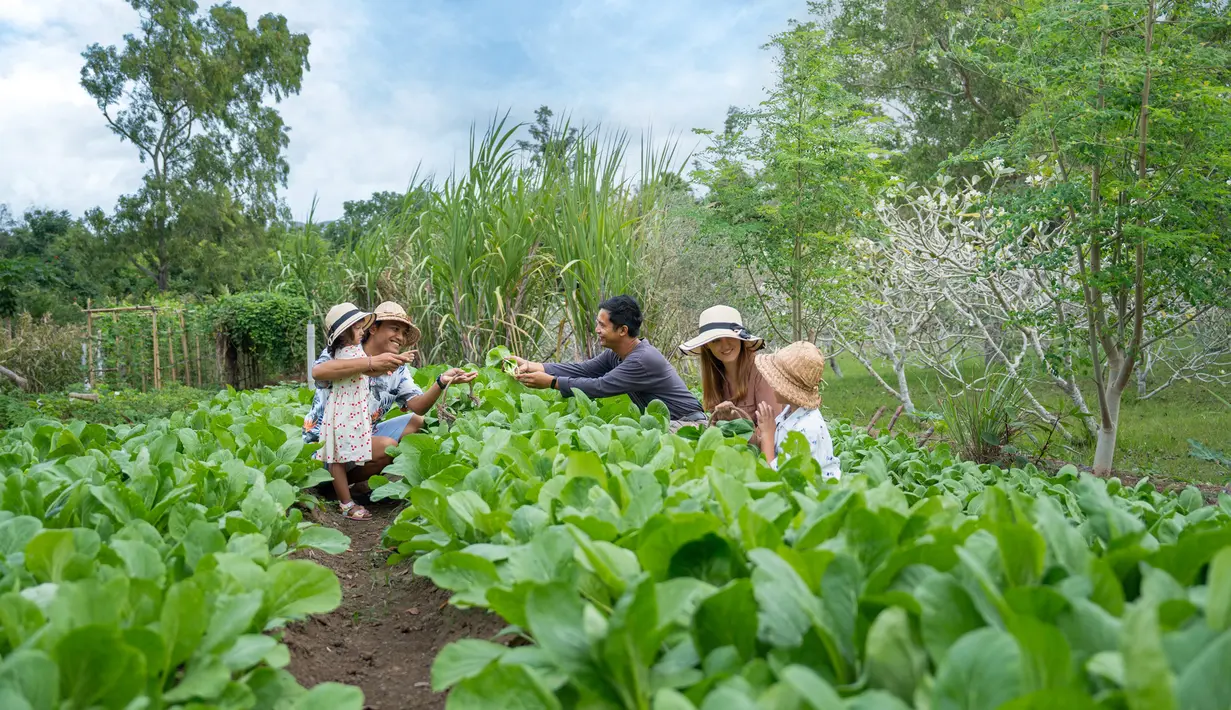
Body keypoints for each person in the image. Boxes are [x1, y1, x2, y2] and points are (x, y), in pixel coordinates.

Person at [304, 301, 476, 493]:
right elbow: (318, 372)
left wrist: (442, 381)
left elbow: (418, 406)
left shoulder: (398, 369)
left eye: (404, 333)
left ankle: (359, 481)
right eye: (395, 329)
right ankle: (332, 486)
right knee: (387, 446)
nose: (400, 337)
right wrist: (371, 362)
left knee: (415, 421)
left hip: (361, 434)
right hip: (326, 444)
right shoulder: (346, 348)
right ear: (374, 328)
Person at [512, 295, 705, 427]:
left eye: (602, 325)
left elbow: (601, 386)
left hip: (689, 424)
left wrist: (552, 382)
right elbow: (583, 370)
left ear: (622, 330)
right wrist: (531, 365)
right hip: (667, 423)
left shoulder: (642, 359)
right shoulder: (616, 353)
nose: (596, 330)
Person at [314, 303, 377, 520]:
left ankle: (356, 490)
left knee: (347, 452)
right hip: (343, 411)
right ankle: (345, 503)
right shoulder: (344, 354)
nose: (362, 331)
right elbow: (367, 366)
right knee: (338, 457)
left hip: (351, 410)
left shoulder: (355, 350)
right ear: (344, 333)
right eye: (358, 328)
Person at [753, 341, 842, 481]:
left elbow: (773, 475)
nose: (770, 382)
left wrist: (767, 433)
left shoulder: (806, 429)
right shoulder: (790, 411)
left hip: (817, 495)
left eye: (776, 379)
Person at [679, 305, 777, 425]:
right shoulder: (715, 378)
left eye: (730, 337)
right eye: (716, 340)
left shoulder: (762, 371)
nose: (725, 345)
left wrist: (736, 423)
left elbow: (774, 430)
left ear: (741, 338)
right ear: (707, 345)